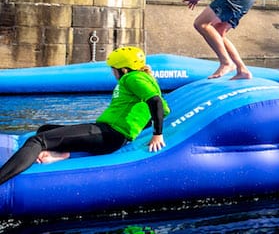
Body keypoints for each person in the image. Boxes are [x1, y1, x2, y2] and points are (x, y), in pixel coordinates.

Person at [0, 47, 169, 185]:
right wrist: (134, 128)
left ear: (123, 69)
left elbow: (156, 102)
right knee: (45, 129)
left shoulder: (132, 78)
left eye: (113, 69)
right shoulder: (143, 78)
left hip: (109, 134)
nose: (112, 73)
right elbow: (164, 109)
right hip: (107, 132)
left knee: (37, 141)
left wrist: (157, 134)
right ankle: (62, 153)